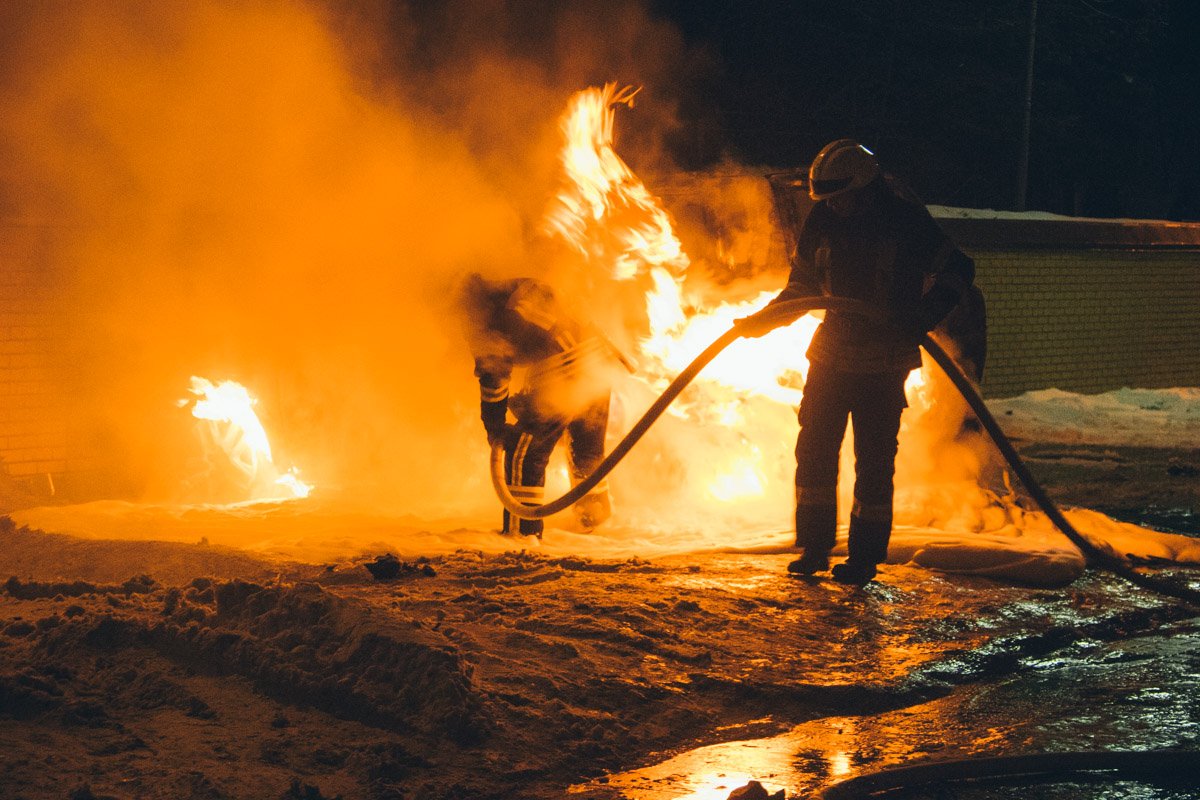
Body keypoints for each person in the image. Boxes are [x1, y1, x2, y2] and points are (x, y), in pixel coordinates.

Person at [736, 139, 977, 585]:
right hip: (830, 356)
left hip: (884, 362)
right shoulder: (823, 220)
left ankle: (864, 559)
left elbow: (959, 269)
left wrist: (921, 318)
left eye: (842, 198)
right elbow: (802, 287)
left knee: (873, 464)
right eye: (828, 200)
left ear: (867, 189)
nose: (835, 207)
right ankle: (814, 548)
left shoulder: (905, 222)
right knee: (813, 453)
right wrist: (761, 322)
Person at [459, 272, 614, 538]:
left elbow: (494, 372)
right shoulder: (513, 288)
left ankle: (522, 537)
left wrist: (494, 426)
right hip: (599, 361)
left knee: (524, 451)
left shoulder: (481, 313)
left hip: (571, 364)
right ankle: (595, 524)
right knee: (586, 451)